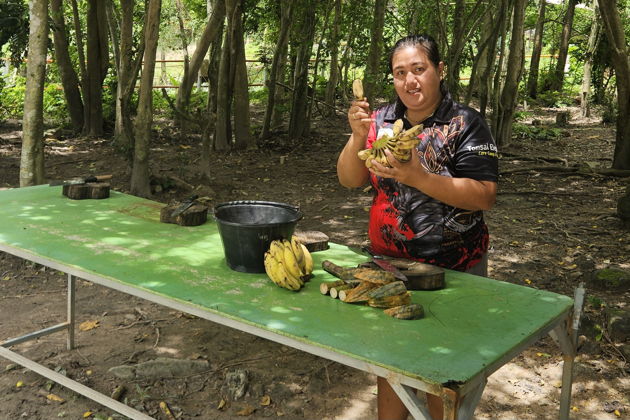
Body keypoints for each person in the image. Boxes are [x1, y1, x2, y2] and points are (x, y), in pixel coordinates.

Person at [336, 34, 499, 420]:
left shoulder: (466, 123)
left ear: (440, 71)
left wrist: (418, 176)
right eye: (400, 73)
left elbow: (483, 195)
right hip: (388, 264)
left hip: (455, 269)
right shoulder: (380, 120)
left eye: (419, 69)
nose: (410, 81)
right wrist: (358, 136)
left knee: (446, 371)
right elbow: (349, 179)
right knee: (393, 364)